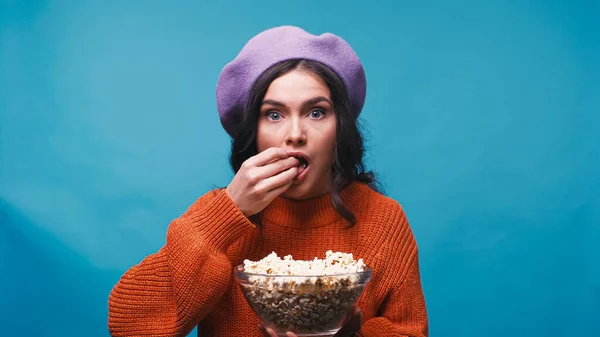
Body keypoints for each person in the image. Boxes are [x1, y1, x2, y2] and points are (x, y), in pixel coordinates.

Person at [107, 25, 428, 337]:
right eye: (274, 115)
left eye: (316, 112)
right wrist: (227, 213)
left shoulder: (383, 220)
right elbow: (128, 327)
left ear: (339, 127)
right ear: (254, 133)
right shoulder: (219, 217)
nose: (295, 135)